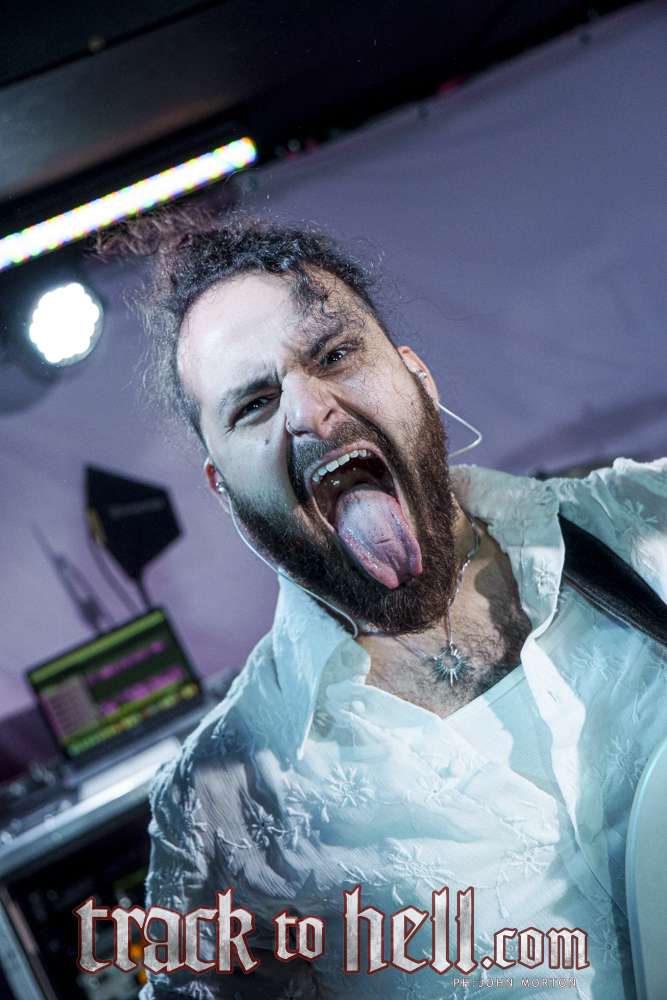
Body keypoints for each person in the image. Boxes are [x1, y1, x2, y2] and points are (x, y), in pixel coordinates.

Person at [136, 215, 666, 999]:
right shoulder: (223, 805)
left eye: (333, 355)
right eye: (253, 404)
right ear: (223, 490)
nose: (309, 410)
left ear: (418, 377)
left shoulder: (644, 524)